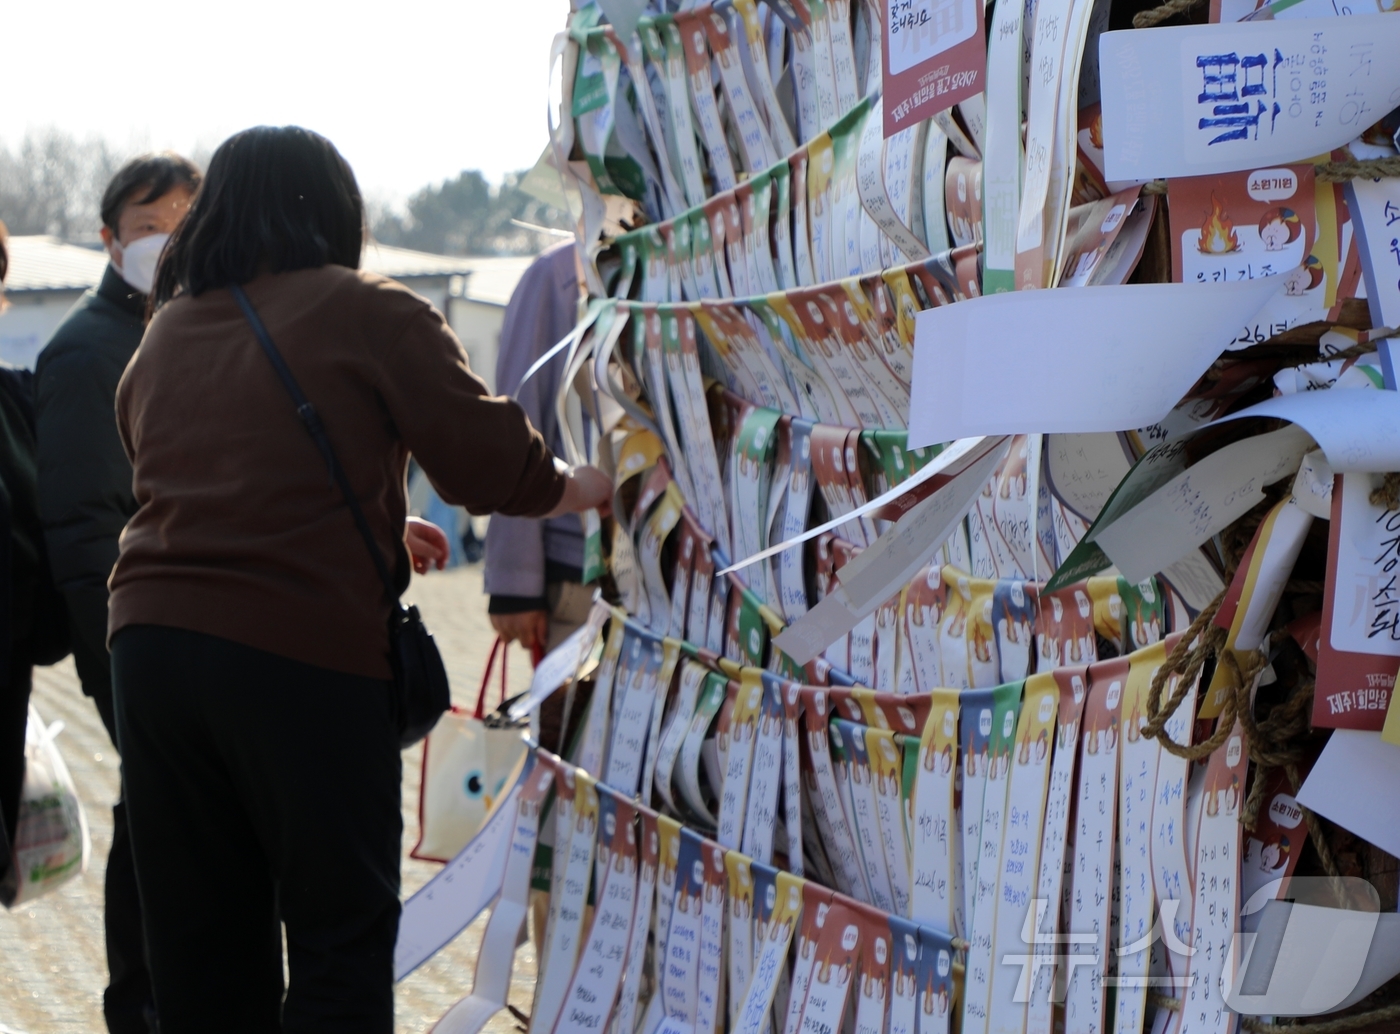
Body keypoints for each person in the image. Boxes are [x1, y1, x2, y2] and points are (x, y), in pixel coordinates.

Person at [106, 125, 611, 1034]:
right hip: (297, 657)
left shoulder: (168, 329)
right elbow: (487, 462)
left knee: (202, 942)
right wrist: (587, 484)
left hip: (148, 654)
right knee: (341, 932)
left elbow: (174, 468)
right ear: (339, 211)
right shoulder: (371, 309)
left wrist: (374, 518)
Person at [34, 151, 200, 1033]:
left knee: (174, 822)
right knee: (154, 824)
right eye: (148, 227)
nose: (166, 243)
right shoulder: (85, 354)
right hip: (134, 638)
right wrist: (114, 662)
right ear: (108, 239)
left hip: (196, 637)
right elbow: (83, 527)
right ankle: (139, 1004)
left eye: (182, 224)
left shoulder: (204, 329)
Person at [485, 239, 593, 657]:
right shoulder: (560, 275)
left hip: (692, 571)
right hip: (578, 567)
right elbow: (517, 424)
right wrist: (515, 586)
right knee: (573, 719)